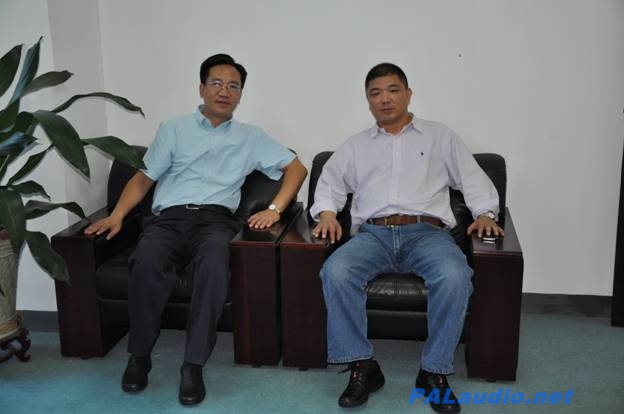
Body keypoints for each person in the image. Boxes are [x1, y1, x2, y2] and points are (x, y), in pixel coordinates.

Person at [85, 53, 307, 406]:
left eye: (233, 86)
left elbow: (296, 168)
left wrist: (274, 209)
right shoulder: (173, 129)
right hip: (167, 221)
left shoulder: (251, 137)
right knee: (146, 261)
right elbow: (144, 178)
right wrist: (117, 216)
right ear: (201, 88)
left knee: (214, 266)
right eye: (217, 83)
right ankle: (139, 357)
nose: (225, 91)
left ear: (240, 95)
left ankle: (193, 365)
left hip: (216, 223)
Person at [310, 62, 503, 412]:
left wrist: (486, 214)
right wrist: (326, 214)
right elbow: (329, 186)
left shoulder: (440, 136)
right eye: (375, 93)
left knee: (455, 275)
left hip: (427, 233)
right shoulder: (355, 146)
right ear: (368, 101)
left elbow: (472, 179)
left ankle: (433, 371)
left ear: (408, 94)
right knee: (336, 271)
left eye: (392, 90)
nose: (384, 99)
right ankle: (362, 365)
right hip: (373, 234)